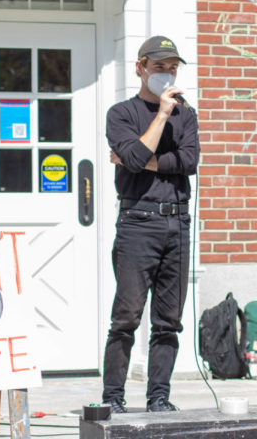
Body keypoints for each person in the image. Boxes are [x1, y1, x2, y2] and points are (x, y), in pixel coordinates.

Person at [102, 36, 199, 414]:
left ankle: (159, 396)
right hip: (137, 220)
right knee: (126, 316)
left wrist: (145, 162)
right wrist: (160, 115)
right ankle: (113, 398)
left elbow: (189, 161)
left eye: (173, 67)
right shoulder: (122, 113)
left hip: (176, 221)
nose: (167, 73)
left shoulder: (186, 114)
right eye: (160, 66)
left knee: (168, 321)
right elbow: (135, 152)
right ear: (140, 67)